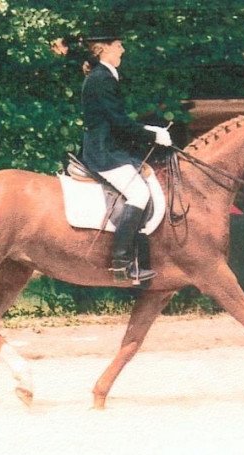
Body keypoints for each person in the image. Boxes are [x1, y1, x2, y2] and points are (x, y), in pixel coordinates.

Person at [81, 33, 172, 282]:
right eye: (119, 45)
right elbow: (119, 124)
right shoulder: (102, 79)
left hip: (110, 148)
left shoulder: (105, 77)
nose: (123, 50)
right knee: (139, 194)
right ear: (104, 49)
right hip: (103, 152)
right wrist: (152, 135)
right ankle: (121, 263)